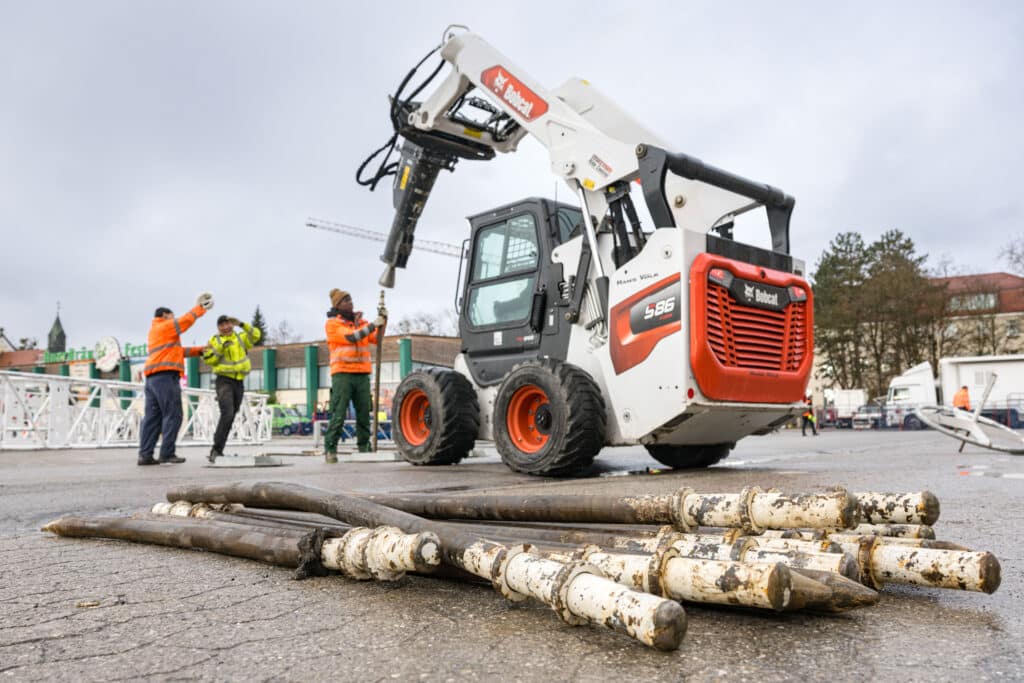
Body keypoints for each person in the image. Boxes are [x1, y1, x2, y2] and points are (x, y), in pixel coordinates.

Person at [138, 293, 213, 465]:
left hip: (152, 378)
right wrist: (200, 308)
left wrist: (200, 350)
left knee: (153, 418)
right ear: (165, 316)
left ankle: (145, 455)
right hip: (165, 376)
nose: (174, 319)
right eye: (172, 316)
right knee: (174, 414)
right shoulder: (165, 326)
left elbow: (179, 352)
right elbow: (185, 321)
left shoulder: (157, 332)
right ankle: (167, 453)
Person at [322, 288, 386, 462]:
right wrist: (374, 324)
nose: (350, 302)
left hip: (362, 374)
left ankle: (364, 448)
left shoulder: (362, 322)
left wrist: (383, 321)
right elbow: (351, 338)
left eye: (350, 299)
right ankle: (330, 448)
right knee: (339, 412)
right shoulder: (333, 325)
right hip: (342, 374)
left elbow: (377, 338)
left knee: (364, 412)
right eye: (345, 300)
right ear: (337, 305)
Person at [203, 315, 261, 462]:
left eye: (228, 323)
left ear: (232, 324)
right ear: (218, 328)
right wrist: (222, 347)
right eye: (222, 325)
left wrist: (242, 323)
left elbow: (256, 335)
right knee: (227, 414)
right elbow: (209, 359)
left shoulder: (241, 337)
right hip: (224, 381)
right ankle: (215, 450)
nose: (226, 327)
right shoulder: (215, 341)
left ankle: (218, 450)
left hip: (239, 382)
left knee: (231, 415)